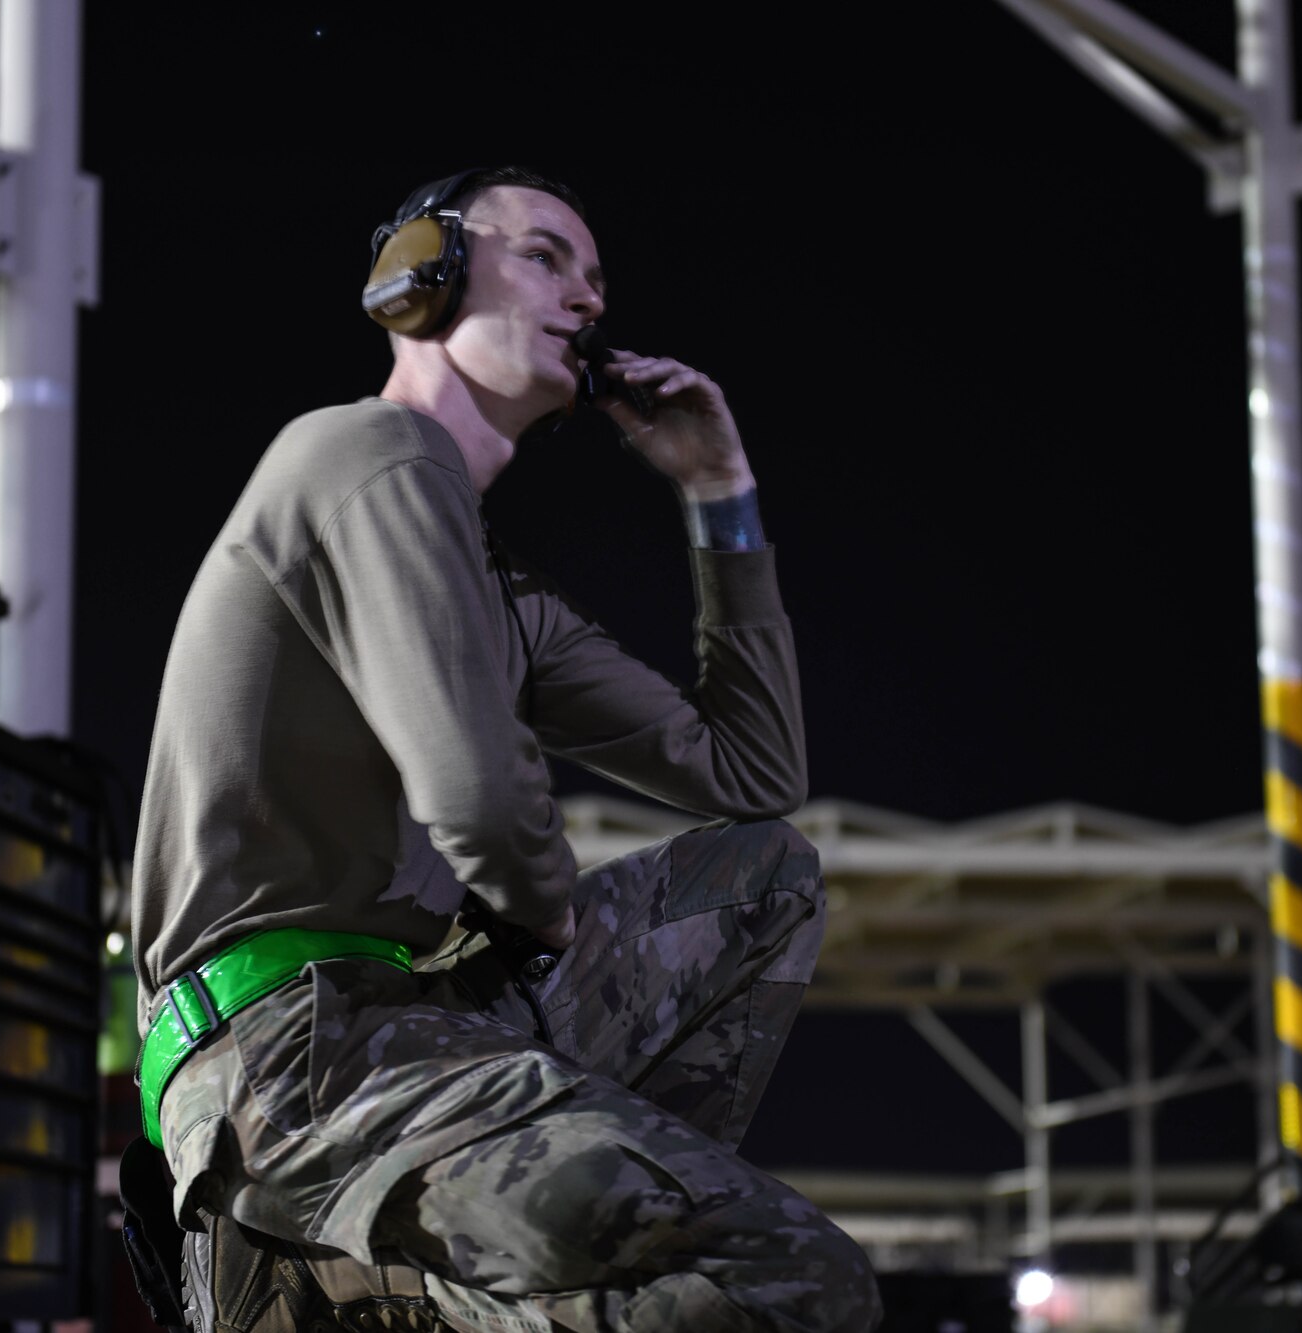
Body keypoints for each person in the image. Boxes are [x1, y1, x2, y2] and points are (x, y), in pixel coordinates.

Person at [129, 166, 879, 1333]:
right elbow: (477, 797)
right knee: (790, 1278)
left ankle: (424, 1276)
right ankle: (338, 1259)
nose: (585, 299)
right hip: (291, 1048)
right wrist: (548, 907)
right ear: (416, 275)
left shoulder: (498, 592)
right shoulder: (364, 452)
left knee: (761, 874)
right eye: (544, 256)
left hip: (421, 1018)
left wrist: (716, 493)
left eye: (596, 279)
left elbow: (752, 777)